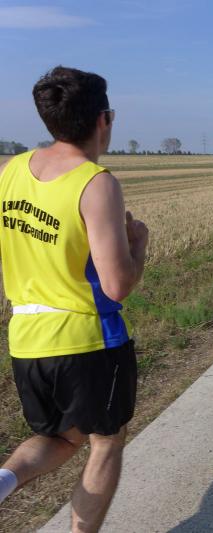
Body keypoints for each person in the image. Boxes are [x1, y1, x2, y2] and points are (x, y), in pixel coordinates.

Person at [0, 66, 148, 532]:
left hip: (27, 340)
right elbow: (117, 285)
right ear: (104, 119)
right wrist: (139, 245)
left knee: (61, 438)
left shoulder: (10, 170)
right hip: (88, 340)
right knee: (106, 441)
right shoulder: (95, 182)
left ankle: (3, 480)